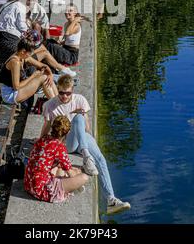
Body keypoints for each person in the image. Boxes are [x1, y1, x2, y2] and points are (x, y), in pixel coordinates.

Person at [41, 75, 131, 214]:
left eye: (68, 93)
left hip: (82, 139)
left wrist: (84, 119)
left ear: (73, 90)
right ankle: (86, 156)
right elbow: (47, 126)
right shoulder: (50, 105)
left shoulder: (80, 100)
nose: (64, 96)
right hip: (67, 143)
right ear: (57, 89)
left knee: (100, 158)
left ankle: (111, 199)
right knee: (77, 119)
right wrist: (40, 140)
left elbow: (87, 128)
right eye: (61, 93)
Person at [24, 115, 88, 202]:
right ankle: (69, 189)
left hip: (29, 184)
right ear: (67, 133)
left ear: (52, 127)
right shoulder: (59, 147)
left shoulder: (43, 138)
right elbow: (71, 173)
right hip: (42, 190)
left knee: (60, 169)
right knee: (84, 177)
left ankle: (69, 186)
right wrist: (78, 172)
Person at [0, 34, 58, 107]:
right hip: (10, 95)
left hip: (17, 90)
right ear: (23, 51)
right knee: (43, 78)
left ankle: (58, 104)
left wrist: (50, 75)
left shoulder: (23, 56)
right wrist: (33, 76)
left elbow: (44, 66)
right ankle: (57, 107)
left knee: (47, 78)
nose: (30, 55)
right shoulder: (15, 62)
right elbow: (16, 87)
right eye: (30, 53)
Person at [0, 0, 28, 79]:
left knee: (0, 64)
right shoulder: (20, 6)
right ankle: (21, 81)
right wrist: (29, 30)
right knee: (19, 59)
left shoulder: (5, 5)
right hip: (10, 37)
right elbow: (21, 25)